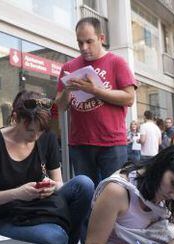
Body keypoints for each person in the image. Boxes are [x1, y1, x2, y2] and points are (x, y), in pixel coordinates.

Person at [0, 91, 94, 244]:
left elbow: (58, 182)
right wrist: (18, 193)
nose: (36, 136)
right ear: (16, 118)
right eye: (30, 130)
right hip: (8, 218)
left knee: (84, 184)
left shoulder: (47, 137)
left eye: (40, 131)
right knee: (55, 237)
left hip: (43, 208)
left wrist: (52, 186)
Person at [55, 17, 137, 186]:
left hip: (112, 144)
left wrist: (95, 91)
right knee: (86, 196)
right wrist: (67, 92)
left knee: (115, 193)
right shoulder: (69, 67)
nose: (84, 48)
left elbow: (129, 98)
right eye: (80, 43)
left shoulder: (117, 62)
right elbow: (60, 107)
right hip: (79, 144)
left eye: (89, 42)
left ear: (101, 39)